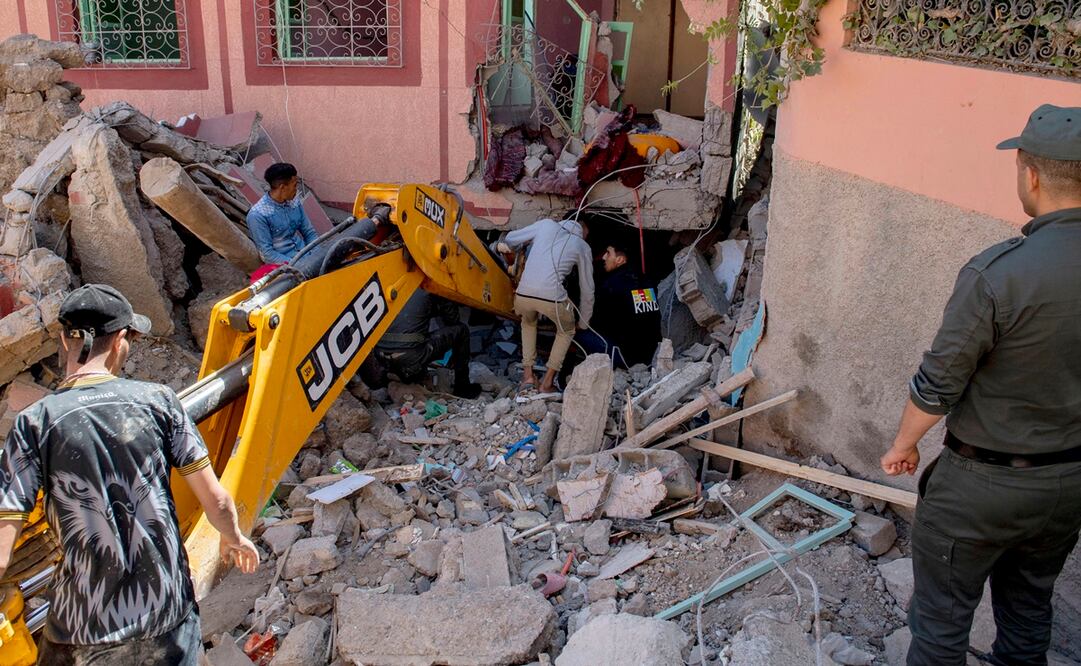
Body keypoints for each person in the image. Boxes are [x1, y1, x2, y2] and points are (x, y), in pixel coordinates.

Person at [880, 104, 1081, 666]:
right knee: (1028, 616)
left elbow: (937, 383)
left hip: (982, 486)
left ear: (1032, 174)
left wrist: (902, 445)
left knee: (941, 630)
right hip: (1067, 485)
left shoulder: (998, 273)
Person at [0, 284, 260, 664]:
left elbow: (4, 540)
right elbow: (217, 500)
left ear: (62, 339)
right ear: (121, 339)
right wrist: (233, 537)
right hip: (168, 616)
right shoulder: (159, 402)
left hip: (85, 630)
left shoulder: (34, 423)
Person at [499, 217, 594, 393]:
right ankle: (547, 383)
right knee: (566, 330)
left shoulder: (546, 225)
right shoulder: (582, 245)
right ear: (582, 230)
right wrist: (583, 322)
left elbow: (511, 238)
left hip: (523, 294)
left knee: (528, 324)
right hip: (553, 299)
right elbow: (587, 289)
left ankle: (527, 377)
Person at [360, 289, 481, 398]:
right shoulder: (430, 284)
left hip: (381, 355)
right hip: (410, 357)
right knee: (461, 330)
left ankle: (401, 376)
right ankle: (463, 387)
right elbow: (452, 320)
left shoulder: (390, 284)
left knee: (414, 337)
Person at [574, 240, 660, 369]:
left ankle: (571, 370)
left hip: (625, 357)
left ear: (620, 259)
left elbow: (595, 322)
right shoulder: (647, 281)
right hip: (651, 356)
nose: (604, 257)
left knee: (572, 332)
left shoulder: (612, 284)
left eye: (608, 253)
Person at [247, 162, 319, 265]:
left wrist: (316, 255)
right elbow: (268, 254)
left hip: (307, 256)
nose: (296, 189)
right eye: (294, 185)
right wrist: (299, 266)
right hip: (286, 268)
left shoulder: (294, 202)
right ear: (282, 187)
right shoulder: (257, 215)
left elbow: (309, 232)